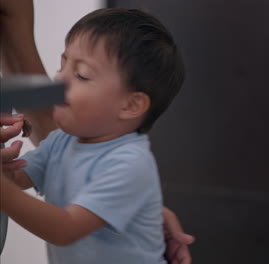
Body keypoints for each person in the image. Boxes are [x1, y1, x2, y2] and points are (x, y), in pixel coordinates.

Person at [0, 5, 193, 264]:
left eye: (81, 75)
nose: (58, 80)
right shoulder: (61, 142)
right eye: (62, 65)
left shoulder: (130, 164)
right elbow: (14, 180)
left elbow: (65, 228)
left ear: (130, 105)